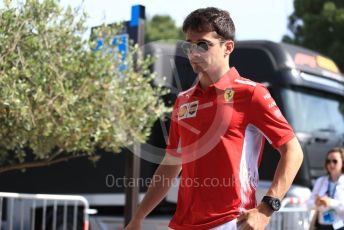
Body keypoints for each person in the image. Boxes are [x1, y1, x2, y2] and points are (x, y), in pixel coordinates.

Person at [124, 7, 303, 230]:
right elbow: (172, 163)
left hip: (230, 222)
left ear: (228, 47)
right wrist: (138, 217)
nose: (193, 52)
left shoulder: (252, 93)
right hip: (182, 224)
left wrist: (266, 208)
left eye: (203, 44)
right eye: (189, 45)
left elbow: (293, 151)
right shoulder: (183, 100)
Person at [307, 147, 344, 230]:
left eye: (335, 161)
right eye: (328, 161)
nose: (331, 164)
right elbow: (308, 204)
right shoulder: (320, 181)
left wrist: (331, 202)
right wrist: (316, 203)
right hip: (322, 226)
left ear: (342, 163)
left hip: (340, 226)